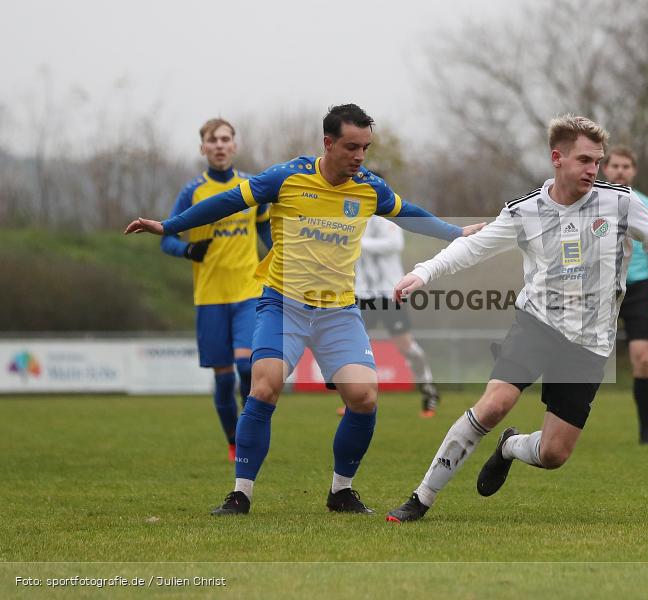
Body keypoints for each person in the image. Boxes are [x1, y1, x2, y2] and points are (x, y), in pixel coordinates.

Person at [125, 104, 484, 516]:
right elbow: (227, 202)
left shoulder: (369, 187)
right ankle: (240, 494)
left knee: (365, 397)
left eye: (366, 147)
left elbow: (410, 215)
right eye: (351, 147)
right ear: (328, 143)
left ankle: (341, 492)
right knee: (263, 387)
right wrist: (169, 227)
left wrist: (456, 232)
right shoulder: (287, 177)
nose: (360, 157)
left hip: (338, 311)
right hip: (284, 305)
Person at [385, 115, 648, 522]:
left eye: (597, 161)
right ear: (557, 158)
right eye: (584, 160)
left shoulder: (620, 202)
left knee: (554, 454)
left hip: (591, 342)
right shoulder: (525, 211)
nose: (593, 169)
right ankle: (420, 498)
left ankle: (509, 446)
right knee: (494, 404)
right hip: (537, 323)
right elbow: (473, 249)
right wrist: (423, 272)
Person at [160, 118, 272, 463]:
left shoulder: (252, 188)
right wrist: (187, 250)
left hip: (247, 292)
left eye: (226, 139)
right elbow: (167, 239)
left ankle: (249, 431)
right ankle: (233, 440)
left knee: (245, 367)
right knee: (223, 380)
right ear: (203, 148)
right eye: (213, 140)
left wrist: (281, 262)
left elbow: (267, 237)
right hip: (209, 298)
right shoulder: (192, 191)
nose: (220, 145)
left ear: (235, 146)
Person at [601, 146, 648, 445]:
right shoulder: (592, 202)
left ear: (634, 170)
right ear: (605, 169)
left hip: (640, 288)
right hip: (602, 285)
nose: (620, 171)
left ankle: (645, 431)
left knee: (642, 358)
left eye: (626, 166)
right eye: (614, 165)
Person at [355, 215, 440, 417]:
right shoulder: (354, 214)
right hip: (364, 293)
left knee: (406, 346)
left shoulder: (387, 216)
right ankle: (355, 399)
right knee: (356, 345)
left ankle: (429, 390)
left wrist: (359, 241)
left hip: (390, 292)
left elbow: (395, 244)